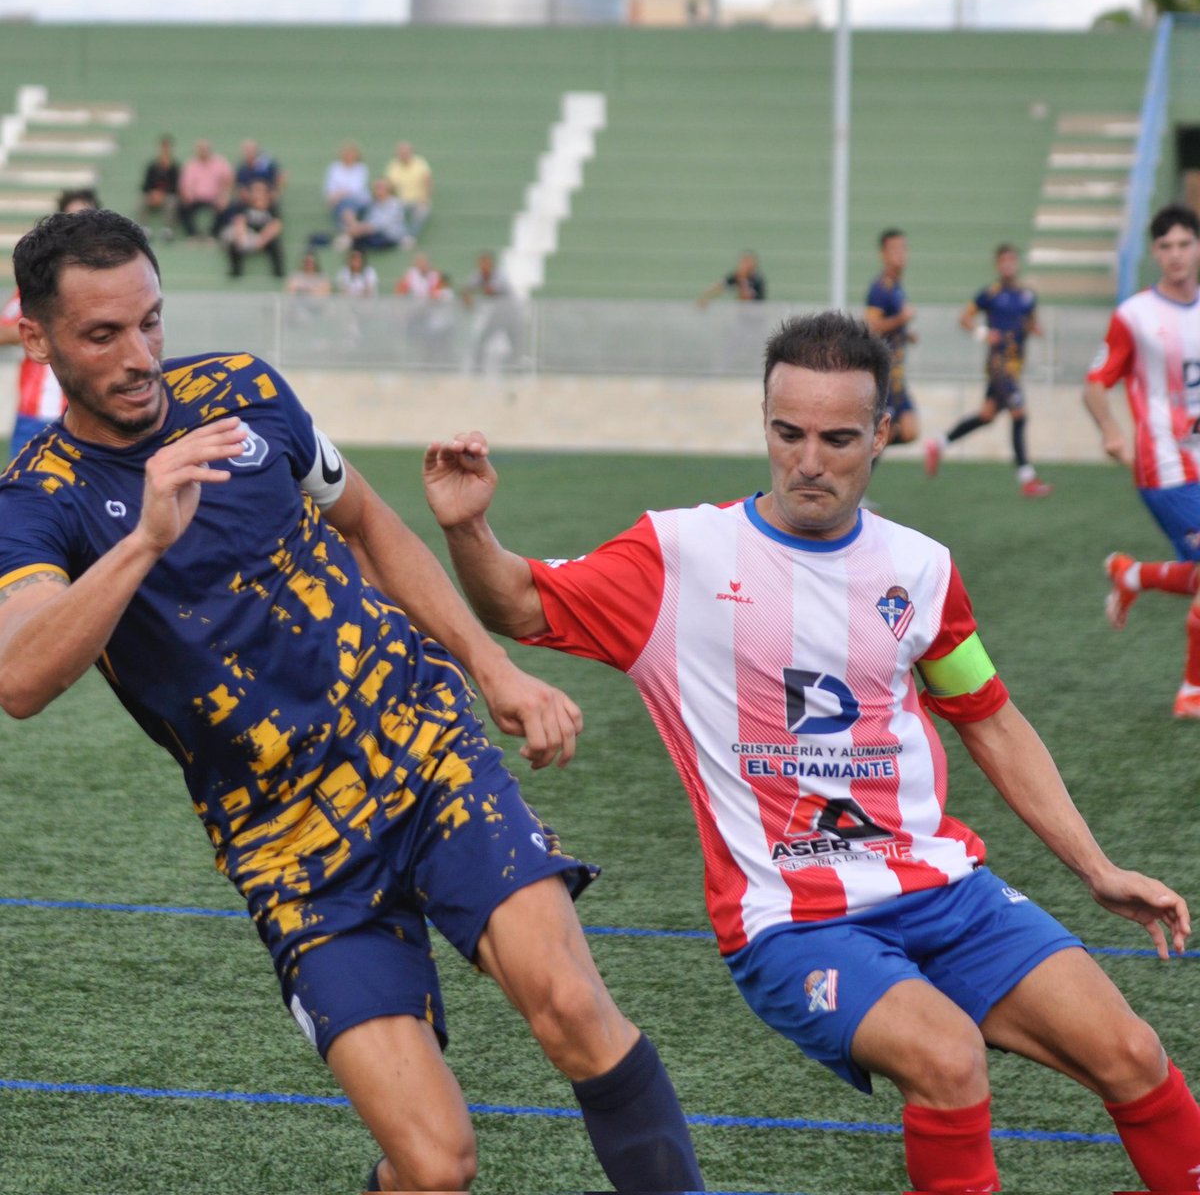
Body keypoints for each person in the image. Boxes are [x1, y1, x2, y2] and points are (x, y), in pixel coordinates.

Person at [0, 209, 704, 1193]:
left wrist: (491, 669)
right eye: (102, 335)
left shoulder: (245, 392)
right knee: (433, 1163)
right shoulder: (38, 500)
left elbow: (370, 524)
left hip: (423, 752)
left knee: (575, 1012)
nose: (139, 356)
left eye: (151, 322)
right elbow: (22, 677)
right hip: (290, 843)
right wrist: (146, 538)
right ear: (33, 335)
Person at [424, 310, 1200, 1194]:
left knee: (1133, 1052)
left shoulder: (922, 571)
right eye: (788, 433)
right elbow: (518, 606)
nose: (808, 461)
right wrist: (468, 532)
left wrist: (1096, 866)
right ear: (766, 423)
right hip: (793, 919)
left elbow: (988, 717)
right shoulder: (679, 557)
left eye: (837, 439)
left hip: (944, 889)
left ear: (882, 435)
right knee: (947, 1057)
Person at [1084, 203, 1200, 720]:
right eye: (1166, 246)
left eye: (1184, 244)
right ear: (1156, 252)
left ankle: (1134, 576)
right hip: (1165, 469)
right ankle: (1191, 692)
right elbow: (1094, 385)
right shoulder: (1134, 315)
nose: (1176, 255)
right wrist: (1111, 430)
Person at [924, 245, 1052, 497]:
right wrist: (983, 333)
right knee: (1019, 414)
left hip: (1015, 366)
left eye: (1011, 260)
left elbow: (1032, 322)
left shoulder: (1027, 295)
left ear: (1017, 263)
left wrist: (1034, 328)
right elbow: (964, 318)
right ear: (997, 265)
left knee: (987, 415)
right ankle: (1027, 478)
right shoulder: (990, 294)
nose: (1007, 265)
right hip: (998, 365)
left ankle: (938, 443)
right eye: (1002, 261)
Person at [0, 188, 99, 462]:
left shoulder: (106, 283)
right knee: (22, 497)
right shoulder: (37, 283)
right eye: (71, 221)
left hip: (88, 413)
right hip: (35, 414)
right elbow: (3, 331)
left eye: (85, 221)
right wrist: (48, 327)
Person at [865, 228, 919, 445]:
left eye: (903, 248)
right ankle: (859, 454)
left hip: (897, 374)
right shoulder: (880, 288)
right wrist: (901, 319)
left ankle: (863, 449)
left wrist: (906, 334)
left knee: (909, 430)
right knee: (885, 431)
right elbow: (871, 327)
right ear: (883, 255)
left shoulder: (896, 286)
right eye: (894, 249)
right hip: (884, 374)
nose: (900, 253)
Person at [460, 250, 522, 373]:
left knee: (515, 343)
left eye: (485, 264)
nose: (483, 267)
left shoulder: (500, 275)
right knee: (483, 340)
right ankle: (477, 369)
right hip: (497, 315)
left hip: (510, 314)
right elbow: (466, 288)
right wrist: (467, 296)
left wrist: (474, 291)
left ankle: (515, 369)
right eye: (481, 264)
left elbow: (490, 290)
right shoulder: (480, 275)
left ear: (491, 264)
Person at [222, 179, 284, 279]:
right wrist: (242, 239)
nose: (257, 193)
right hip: (247, 235)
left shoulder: (272, 207)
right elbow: (239, 221)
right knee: (233, 244)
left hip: (263, 238)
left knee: (275, 244)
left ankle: (279, 274)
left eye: (260, 190)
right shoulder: (243, 206)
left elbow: (276, 225)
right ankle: (236, 272)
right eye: (255, 190)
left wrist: (261, 241)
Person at [177, 138, 235, 240]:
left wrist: (224, 195)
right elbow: (184, 185)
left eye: (205, 148)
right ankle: (193, 234)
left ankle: (213, 234)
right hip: (196, 198)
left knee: (227, 207)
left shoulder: (220, 162)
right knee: (182, 207)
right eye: (201, 149)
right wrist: (186, 194)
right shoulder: (191, 165)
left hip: (215, 198)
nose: (203, 151)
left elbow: (229, 180)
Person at [335, 177, 407, 253]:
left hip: (389, 237)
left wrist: (358, 228)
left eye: (380, 187)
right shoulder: (373, 204)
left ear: (389, 189)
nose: (377, 190)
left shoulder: (394, 204)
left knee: (360, 235)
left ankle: (347, 239)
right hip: (374, 235)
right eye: (376, 187)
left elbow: (380, 225)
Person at [384, 140, 432, 244]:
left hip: (418, 200)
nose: (403, 155)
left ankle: (410, 237)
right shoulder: (393, 165)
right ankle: (396, 236)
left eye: (406, 152)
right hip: (399, 201)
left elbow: (428, 181)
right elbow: (389, 185)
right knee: (391, 212)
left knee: (422, 211)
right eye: (401, 153)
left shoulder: (420, 163)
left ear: (411, 152)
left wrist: (426, 197)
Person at [138, 134, 179, 241]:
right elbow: (146, 184)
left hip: (167, 195)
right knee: (142, 201)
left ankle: (168, 229)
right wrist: (152, 193)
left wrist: (162, 193)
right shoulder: (152, 166)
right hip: (153, 195)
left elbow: (176, 186)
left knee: (171, 202)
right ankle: (144, 228)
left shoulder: (174, 167)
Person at [323, 140, 371, 229]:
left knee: (347, 203)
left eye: (351, 153)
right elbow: (329, 187)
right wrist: (334, 196)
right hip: (338, 201)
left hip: (357, 200)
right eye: (346, 153)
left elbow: (356, 188)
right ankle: (354, 227)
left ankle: (351, 227)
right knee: (343, 204)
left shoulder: (361, 168)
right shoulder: (334, 167)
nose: (349, 156)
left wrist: (339, 194)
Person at [696, 249, 766, 307]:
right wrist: (706, 297)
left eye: (747, 261)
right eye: (743, 261)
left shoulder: (757, 279)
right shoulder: (737, 275)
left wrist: (742, 279)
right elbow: (721, 285)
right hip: (742, 313)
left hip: (756, 313)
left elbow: (747, 299)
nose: (744, 264)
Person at [234, 138, 284, 204]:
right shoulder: (242, 168)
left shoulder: (267, 163)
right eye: (246, 150)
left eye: (251, 149)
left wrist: (275, 192)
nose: (249, 152)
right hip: (249, 201)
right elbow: (239, 185)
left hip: (267, 200)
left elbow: (281, 175)